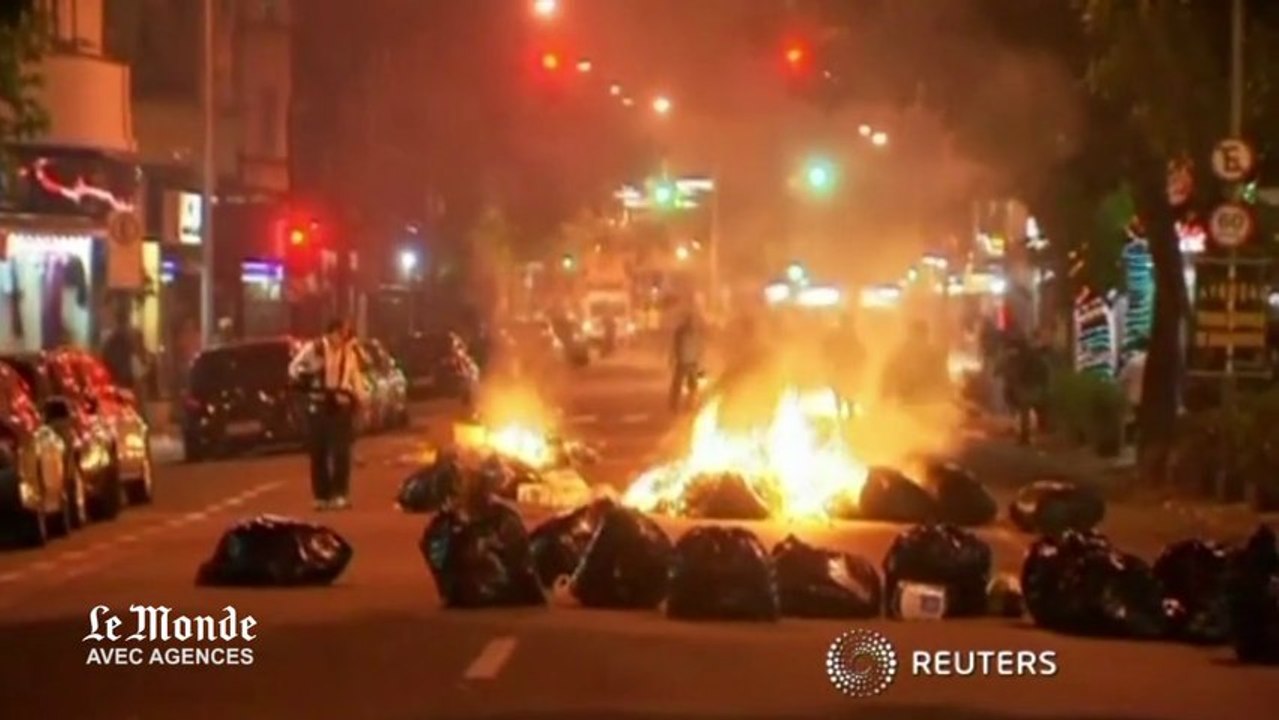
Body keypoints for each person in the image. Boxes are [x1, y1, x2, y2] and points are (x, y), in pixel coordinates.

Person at [288, 319, 367, 510]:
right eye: (341, 334)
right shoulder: (313, 349)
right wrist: (310, 371)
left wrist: (361, 399)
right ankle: (321, 496)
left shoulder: (349, 353)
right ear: (331, 333)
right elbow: (293, 369)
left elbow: (354, 377)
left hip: (341, 404)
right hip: (319, 404)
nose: (343, 338)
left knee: (341, 452)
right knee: (319, 452)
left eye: (345, 334)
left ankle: (340, 494)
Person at [669, 312, 704, 411]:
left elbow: (699, 347)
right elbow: (676, 346)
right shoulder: (685, 332)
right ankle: (679, 405)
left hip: (688, 362)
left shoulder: (686, 332)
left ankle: (685, 405)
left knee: (688, 386)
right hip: (686, 362)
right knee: (686, 386)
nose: (691, 323)